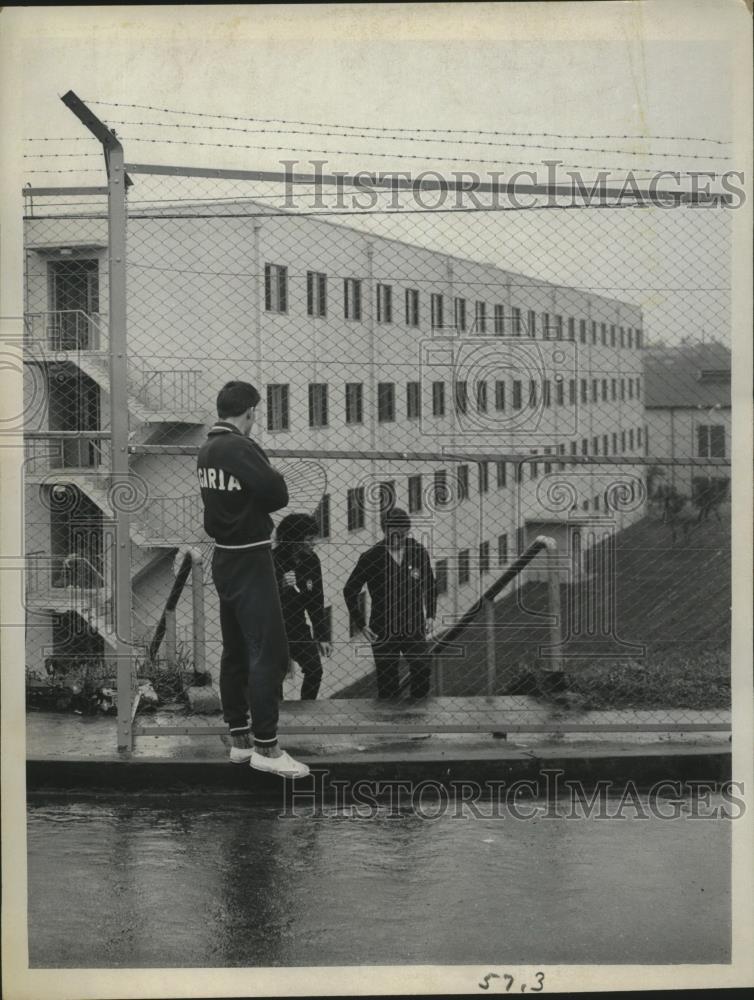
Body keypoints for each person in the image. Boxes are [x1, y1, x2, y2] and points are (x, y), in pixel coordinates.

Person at [197, 381, 309, 778]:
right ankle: (267, 746)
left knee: (236, 650)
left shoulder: (207, 448)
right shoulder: (240, 448)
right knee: (271, 653)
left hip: (224, 558)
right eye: (255, 413)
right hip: (251, 559)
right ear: (247, 411)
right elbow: (277, 495)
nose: (255, 420)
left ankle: (240, 739)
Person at [343, 507, 437, 699]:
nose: (398, 540)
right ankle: (390, 724)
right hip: (383, 627)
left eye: (402, 535)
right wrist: (361, 624)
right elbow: (349, 590)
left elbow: (430, 585)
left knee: (422, 668)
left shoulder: (417, 551)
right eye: (394, 535)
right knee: (387, 682)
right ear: (385, 531)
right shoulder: (372, 557)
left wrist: (430, 615)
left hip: (414, 625)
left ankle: (416, 714)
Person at [273, 513, 332, 700]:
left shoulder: (312, 560)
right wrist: (279, 586)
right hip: (273, 627)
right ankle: (277, 715)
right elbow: (259, 597)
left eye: (314, 538)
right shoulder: (272, 559)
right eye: (309, 539)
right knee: (275, 676)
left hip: (298, 626)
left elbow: (316, 601)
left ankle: (306, 710)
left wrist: (322, 636)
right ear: (294, 540)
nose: (314, 543)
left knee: (315, 669)